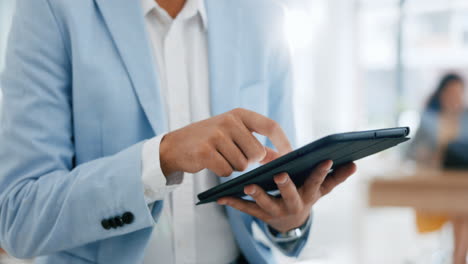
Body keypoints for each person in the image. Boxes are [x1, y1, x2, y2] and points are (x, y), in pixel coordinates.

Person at [0, 0, 357, 263]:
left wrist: (290, 222)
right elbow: (18, 217)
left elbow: (283, 174)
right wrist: (162, 158)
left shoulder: (261, 11)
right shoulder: (50, 9)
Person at [408, 73, 468, 264]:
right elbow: (410, 153)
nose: (455, 97)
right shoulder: (428, 119)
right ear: (441, 93)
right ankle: (458, 260)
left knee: (463, 209)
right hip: (435, 186)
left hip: (461, 186)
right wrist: (427, 155)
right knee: (462, 209)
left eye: (459, 92)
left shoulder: (466, 120)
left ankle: (457, 259)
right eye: (451, 92)